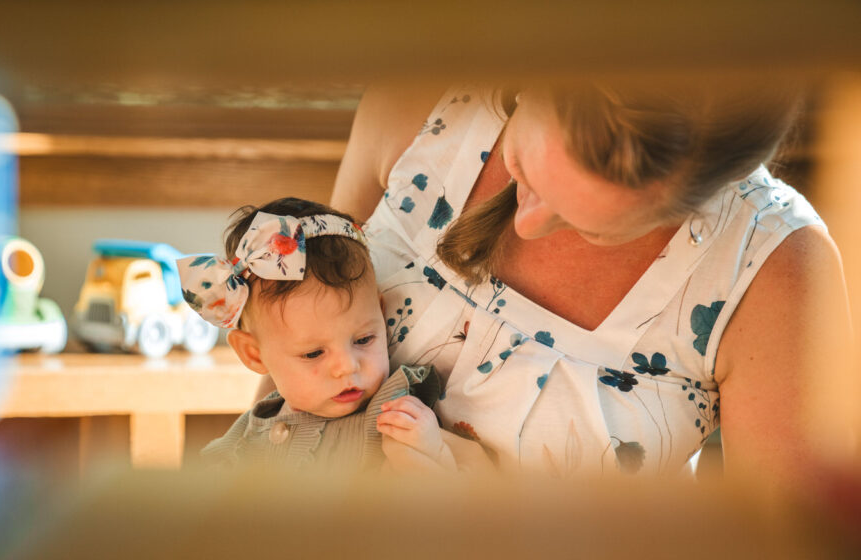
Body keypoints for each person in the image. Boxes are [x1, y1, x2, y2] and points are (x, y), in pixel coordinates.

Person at [330, 80, 854, 482]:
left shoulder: (771, 266)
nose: (525, 226)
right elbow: (285, 329)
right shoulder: (422, 100)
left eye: (592, 229)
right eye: (525, 168)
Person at [178, 197, 486, 472]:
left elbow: (478, 484)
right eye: (314, 353)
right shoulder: (250, 431)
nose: (347, 366)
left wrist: (435, 451)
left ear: (380, 314)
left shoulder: (391, 413)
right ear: (254, 353)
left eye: (364, 340)